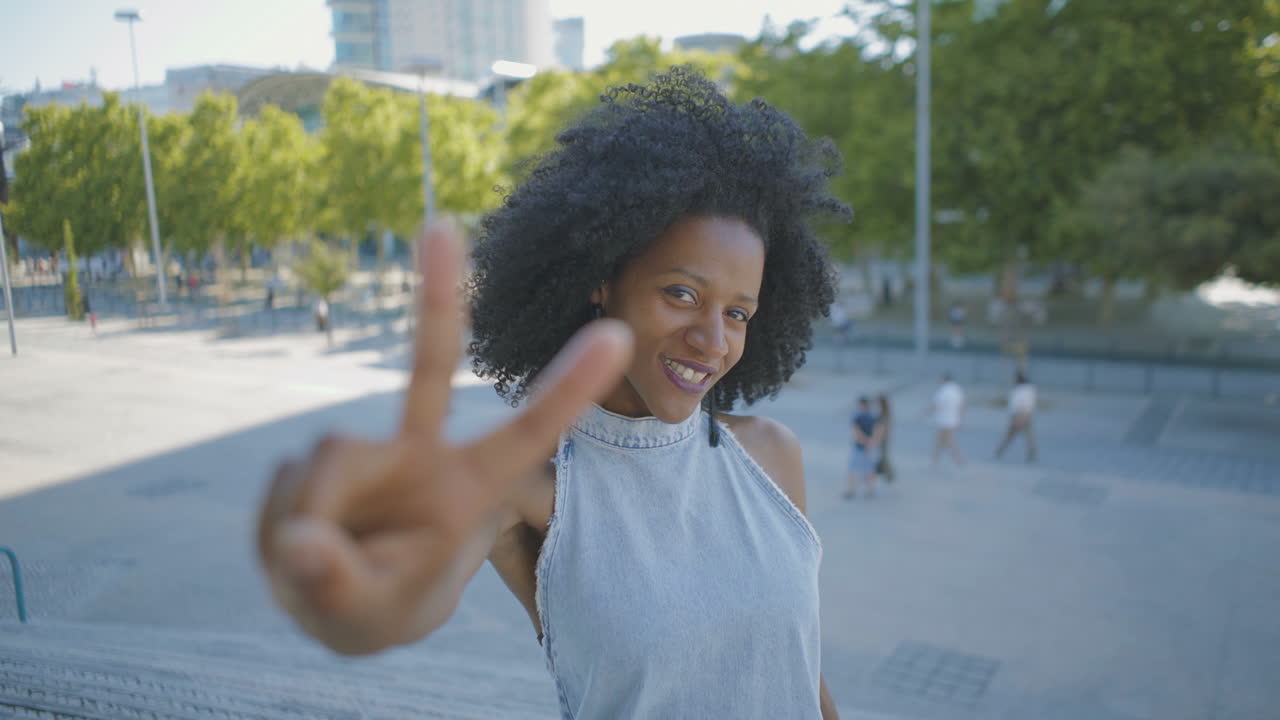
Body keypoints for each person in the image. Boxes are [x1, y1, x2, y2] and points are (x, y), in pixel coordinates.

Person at [256, 68, 849, 719]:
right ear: (601, 279)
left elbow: (798, 665)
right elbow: (397, 602)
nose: (713, 340)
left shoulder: (771, 456)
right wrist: (352, 597)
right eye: (682, 293)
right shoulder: (530, 491)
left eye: (737, 313)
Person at [995, 371, 1037, 462]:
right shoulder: (1026, 389)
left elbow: (1024, 404)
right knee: (1026, 436)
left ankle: (1000, 451)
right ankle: (1031, 454)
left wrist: (1020, 417)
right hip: (1023, 415)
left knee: (1013, 435)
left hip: (1020, 415)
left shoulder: (1023, 390)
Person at [844, 396, 879, 499]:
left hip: (860, 447)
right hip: (869, 447)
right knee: (869, 469)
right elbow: (877, 431)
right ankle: (870, 490)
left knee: (854, 469)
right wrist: (870, 442)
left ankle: (852, 490)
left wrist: (865, 441)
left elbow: (856, 433)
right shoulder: (872, 417)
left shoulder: (858, 417)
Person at [930, 373, 966, 467]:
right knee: (941, 440)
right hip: (953, 419)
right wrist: (961, 419)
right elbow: (961, 406)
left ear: (944, 380)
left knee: (947, 440)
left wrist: (925, 413)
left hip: (944, 420)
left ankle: (959, 459)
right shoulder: (957, 390)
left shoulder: (943, 390)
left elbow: (936, 405)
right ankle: (935, 459)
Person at [873, 394, 895, 483]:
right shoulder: (886, 413)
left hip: (882, 439)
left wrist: (876, 439)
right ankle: (883, 473)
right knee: (883, 456)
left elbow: (881, 427)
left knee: (883, 457)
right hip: (885, 438)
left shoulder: (883, 414)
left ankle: (889, 475)